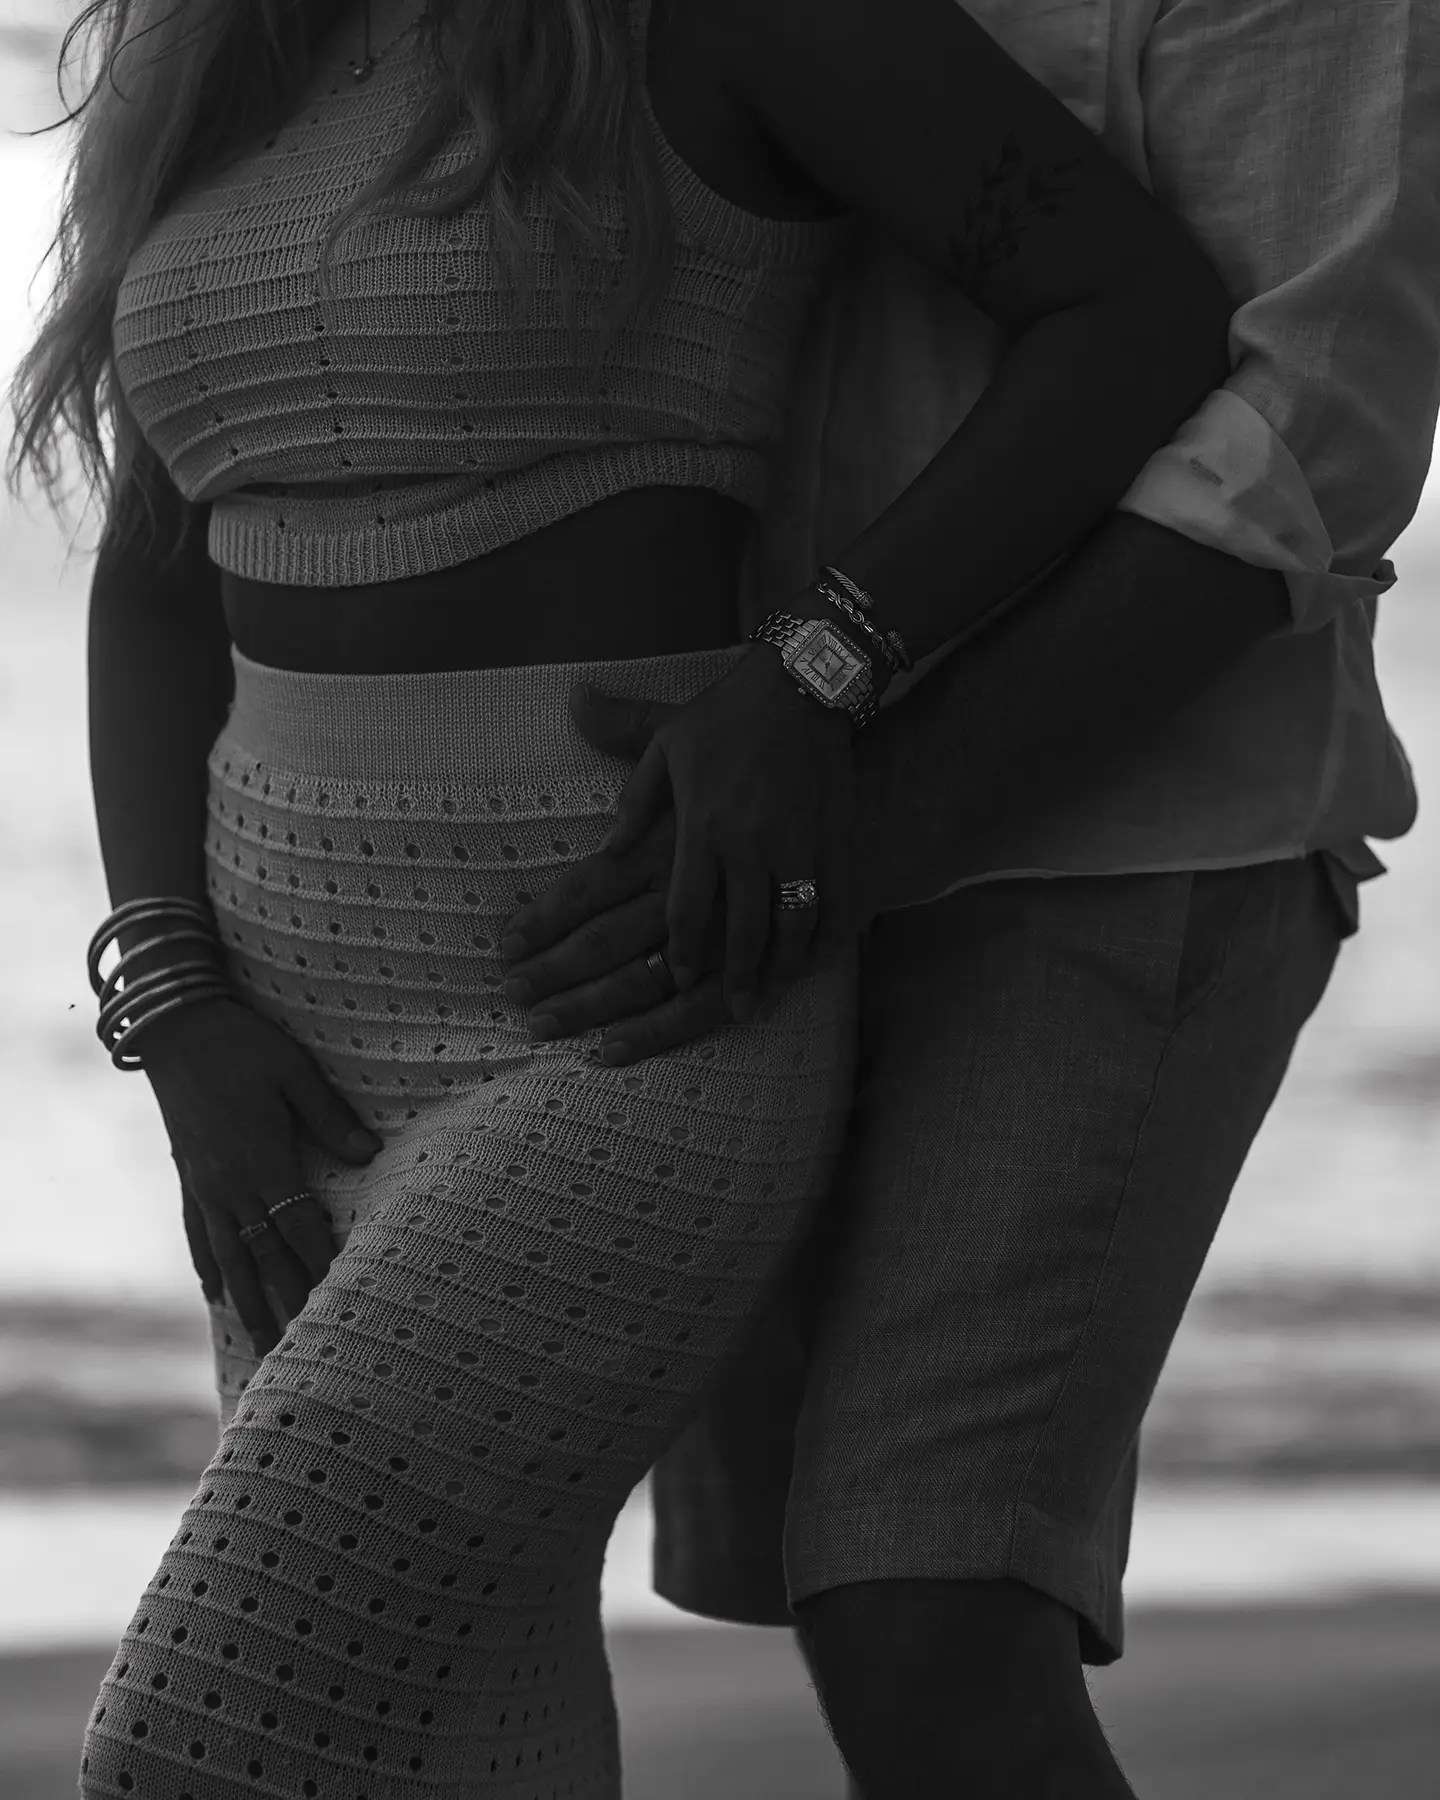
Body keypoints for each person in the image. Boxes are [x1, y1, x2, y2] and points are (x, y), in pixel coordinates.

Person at [5, 0, 1266, 1792]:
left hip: (624, 998)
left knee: (204, 1735)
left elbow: (1133, 312)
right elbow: (154, 569)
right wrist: (174, 1002)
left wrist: (821, 663)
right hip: (286, 1065)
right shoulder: (217, 52)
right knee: (451, 1730)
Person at [494, 1, 1439, 1795]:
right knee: (700, 1566)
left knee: (929, 1608)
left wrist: (855, 754)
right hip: (725, 810)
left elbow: (1308, 421)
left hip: (1123, 822)